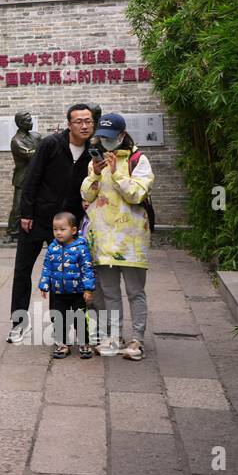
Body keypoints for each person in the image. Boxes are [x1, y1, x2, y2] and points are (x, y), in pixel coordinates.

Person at [9, 103, 95, 343]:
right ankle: (18, 324)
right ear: (69, 124)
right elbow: (32, 177)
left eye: (88, 121)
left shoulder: (93, 151)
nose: (84, 125)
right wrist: (26, 213)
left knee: (69, 274)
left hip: (69, 224)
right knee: (22, 271)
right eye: (79, 121)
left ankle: (74, 330)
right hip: (37, 220)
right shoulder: (51, 144)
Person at [80, 112, 154, 360]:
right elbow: (86, 197)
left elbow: (136, 195)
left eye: (111, 137)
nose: (106, 142)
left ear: (122, 135)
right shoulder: (95, 162)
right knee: (109, 292)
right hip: (103, 237)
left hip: (131, 239)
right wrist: (97, 174)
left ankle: (137, 340)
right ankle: (113, 336)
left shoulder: (138, 160)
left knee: (135, 291)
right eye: (102, 137)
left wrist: (117, 173)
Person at [37, 211, 96, 359]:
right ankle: (63, 344)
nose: (58, 233)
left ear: (73, 230)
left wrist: (88, 288)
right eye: (55, 229)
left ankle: (84, 343)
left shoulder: (81, 248)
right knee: (59, 318)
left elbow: (87, 269)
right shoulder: (52, 248)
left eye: (62, 229)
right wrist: (44, 284)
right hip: (58, 292)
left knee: (79, 318)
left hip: (77, 292)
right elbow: (47, 267)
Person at [7, 112, 43, 240]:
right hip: (22, 178)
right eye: (28, 121)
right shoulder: (16, 141)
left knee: (38, 204)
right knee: (17, 207)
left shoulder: (35, 136)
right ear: (21, 123)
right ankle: (12, 233)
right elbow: (30, 155)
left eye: (31, 120)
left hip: (36, 176)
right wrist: (44, 148)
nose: (31, 122)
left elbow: (44, 144)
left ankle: (37, 231)